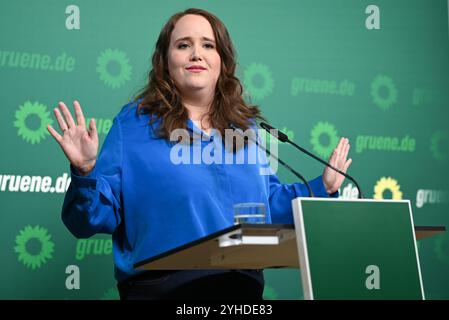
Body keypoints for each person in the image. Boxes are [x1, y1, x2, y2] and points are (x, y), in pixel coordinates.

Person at [47, 8, 352, 300]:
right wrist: (86, 171)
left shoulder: (246, 130)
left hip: (241, 290)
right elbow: (86, 220)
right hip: (163, 290)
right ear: (165, 61)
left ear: (222, 61)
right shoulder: (133, 124)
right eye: (183, 45)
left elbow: (267, 206)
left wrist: (322, 188)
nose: (196, 54)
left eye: (208, 45)